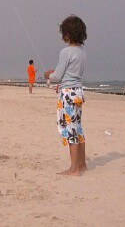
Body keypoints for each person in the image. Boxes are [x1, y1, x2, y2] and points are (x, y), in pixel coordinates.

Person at [44, 15, 88, 176]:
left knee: (70, 129)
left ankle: (74, 168)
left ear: (67, 34)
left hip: (68, 95)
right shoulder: (82, 52)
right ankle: (82, 164)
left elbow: (57, 75)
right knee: (77, 127)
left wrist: (48, 75)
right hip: (78, 92)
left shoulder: (66, 52)